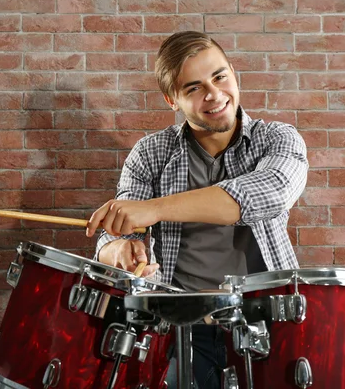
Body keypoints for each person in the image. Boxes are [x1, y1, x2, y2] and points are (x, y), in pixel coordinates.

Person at [86, 31, 308, 388]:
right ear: (171, 100)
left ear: (234, 73)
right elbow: (117, 233)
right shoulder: (149, 154)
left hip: (268, 324)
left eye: (219, 77)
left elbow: (268, 195)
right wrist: (118, 251)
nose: (214, 95)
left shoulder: (278, 139)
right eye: (193, 88)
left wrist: (154, 210)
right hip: (179, 332)